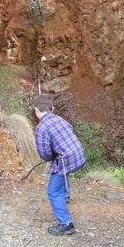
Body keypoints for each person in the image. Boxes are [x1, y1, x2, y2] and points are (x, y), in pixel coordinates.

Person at [34, 94, 86, 236]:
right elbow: (70, 132)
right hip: (79, 155)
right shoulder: (59, 119)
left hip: (66, 160)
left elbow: (44, 153)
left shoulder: (41, 128)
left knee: (53, 191)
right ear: (52, 108)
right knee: (62, 171)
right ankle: (65, 196)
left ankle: (66, 223)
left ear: (36, 111)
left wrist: (52, 157)